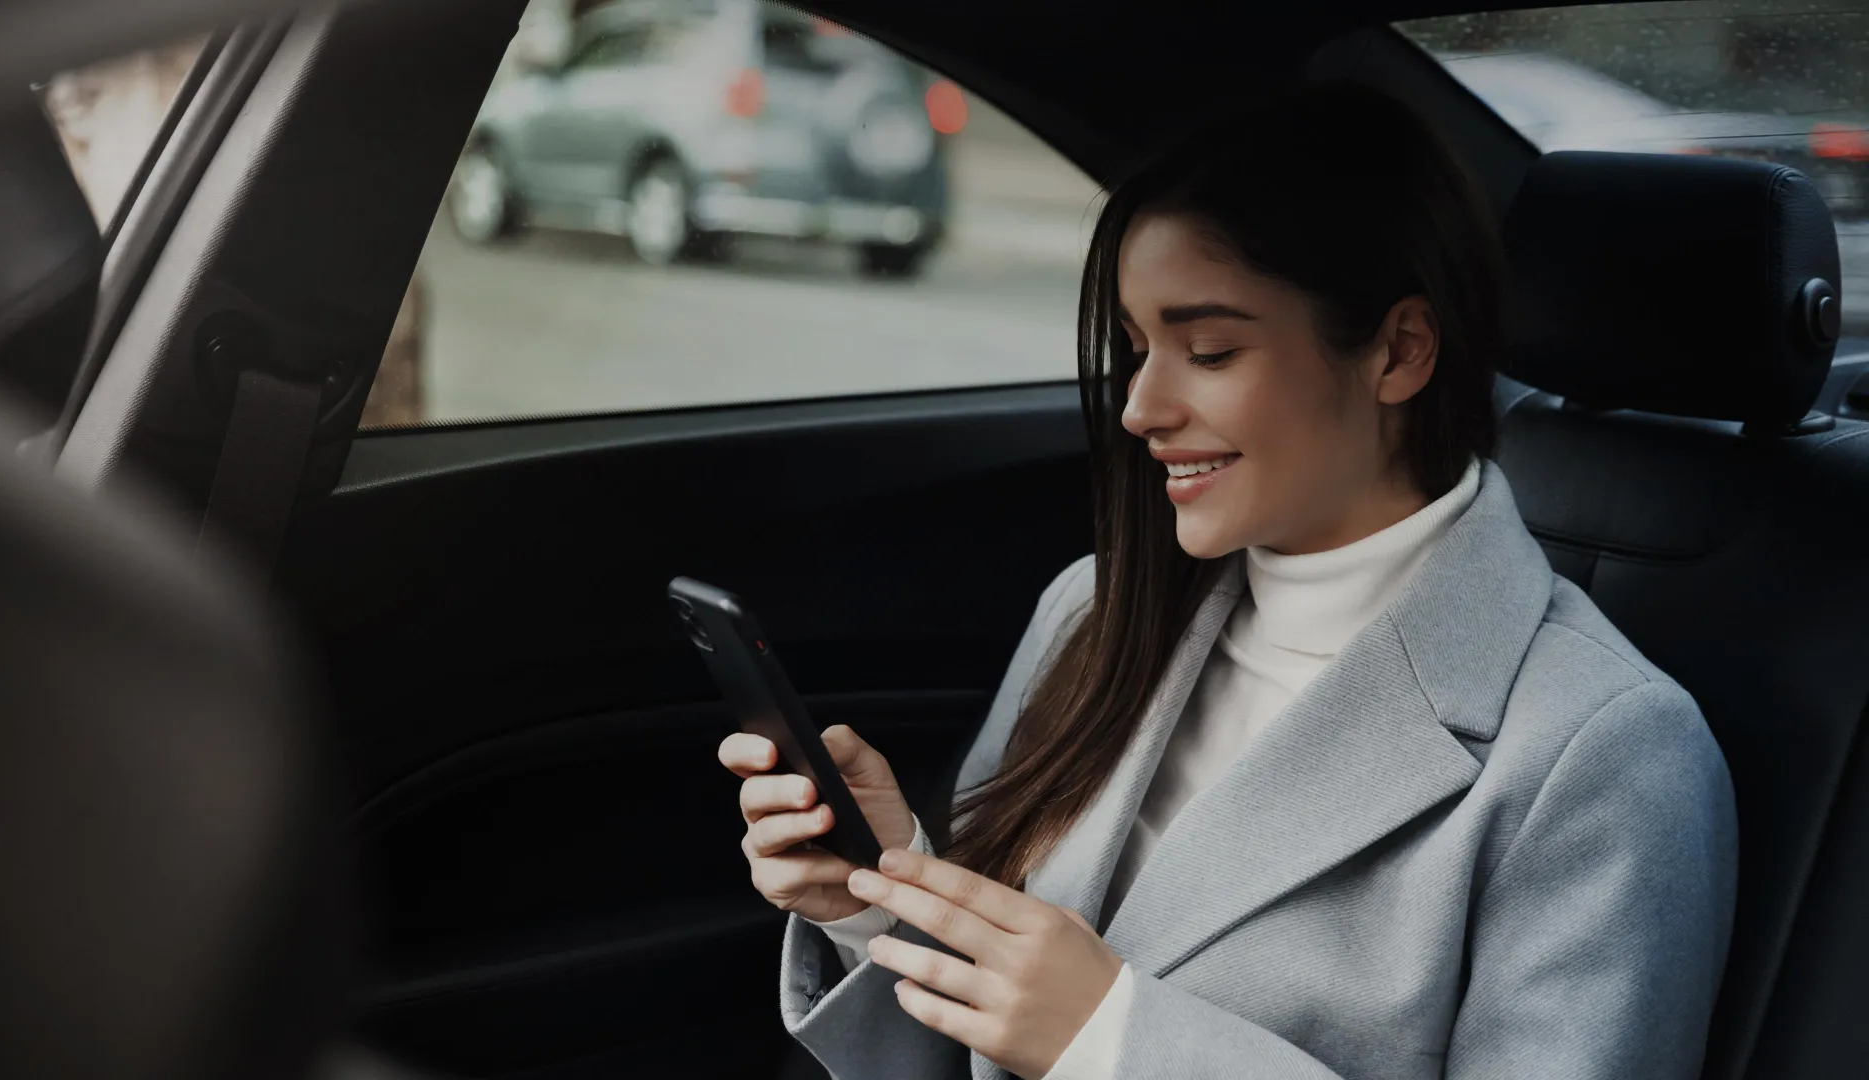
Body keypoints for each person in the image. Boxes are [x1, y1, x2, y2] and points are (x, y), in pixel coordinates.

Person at [718, 82, 1737, 1080]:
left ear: (1399, 351)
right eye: (1135, 349)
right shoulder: (1092, 610)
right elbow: (978, 1040)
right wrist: (881, 893)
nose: (1140, 407)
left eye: (1208, 350)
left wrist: (1119, 1043)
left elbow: (1074, 1032)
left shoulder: (1605, 750)